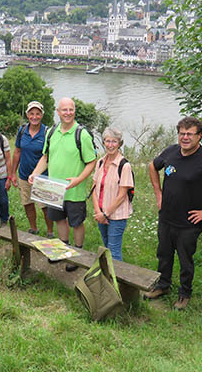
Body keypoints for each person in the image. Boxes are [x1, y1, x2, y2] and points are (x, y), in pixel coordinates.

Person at [145, 116, 202, 310]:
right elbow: (153, 166)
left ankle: (184, 293)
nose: (185, 138)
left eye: (190, 134)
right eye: (182, 133)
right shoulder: (171, 151)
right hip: (166, 217)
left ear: (199, 136)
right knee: (164, 254)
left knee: (185, 259)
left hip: (189, 223)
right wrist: (158, 193)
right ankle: (163, 285)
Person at [29, 97, 97, 272]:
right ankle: (62, 251)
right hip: (54, 189)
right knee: (59, 219)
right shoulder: (51, 132)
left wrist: (78, 180)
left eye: (71, 109)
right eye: (64, 110)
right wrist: (35, 174)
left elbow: (91, 162)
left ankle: (77, 255)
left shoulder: (82, 134)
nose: (67, 113)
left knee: (76, 223)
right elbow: (46, 158)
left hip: (75, 191)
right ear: (58, 112)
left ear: (74, 111)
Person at [10, 101, 54, 238]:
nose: (34, 117)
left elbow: (50, 156)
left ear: (42, 115)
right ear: (27, 114)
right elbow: (17, 151)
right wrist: (13, 173)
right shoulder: (22, 131)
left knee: (45, 206)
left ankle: (50, 232)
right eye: (31, 113)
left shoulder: (47, 132)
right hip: (24, 175)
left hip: (42, 177)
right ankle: (33, 228)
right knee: (27, 203)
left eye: (37, 114)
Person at [91, 128, 133, 261]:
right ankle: (107, 276)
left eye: (114, 141)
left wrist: (105, 214)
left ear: (119, 143)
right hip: (101, 213)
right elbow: (94, 188)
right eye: (107, 141)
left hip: (117, 216)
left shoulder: (124, 166)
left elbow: (122, 195)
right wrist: (98, 212)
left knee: (113, 251)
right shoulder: (100, 162)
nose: (110, 145)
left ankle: (115, 280)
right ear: (103, 142)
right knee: (106, 247)